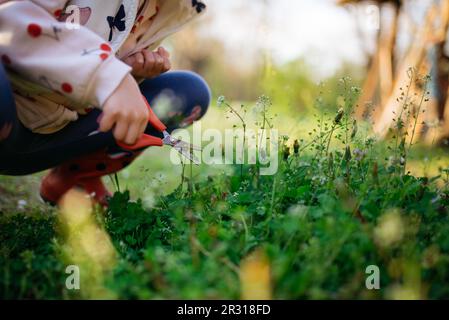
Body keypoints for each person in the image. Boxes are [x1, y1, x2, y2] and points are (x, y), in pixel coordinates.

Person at [0, 0, 211, 206]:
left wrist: (130, 72)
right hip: (11, 113)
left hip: (61, 135)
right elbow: (7, 24)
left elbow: (101, 67)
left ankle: (76, 178)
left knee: (189, 92)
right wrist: (109, 76)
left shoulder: (165, 6)